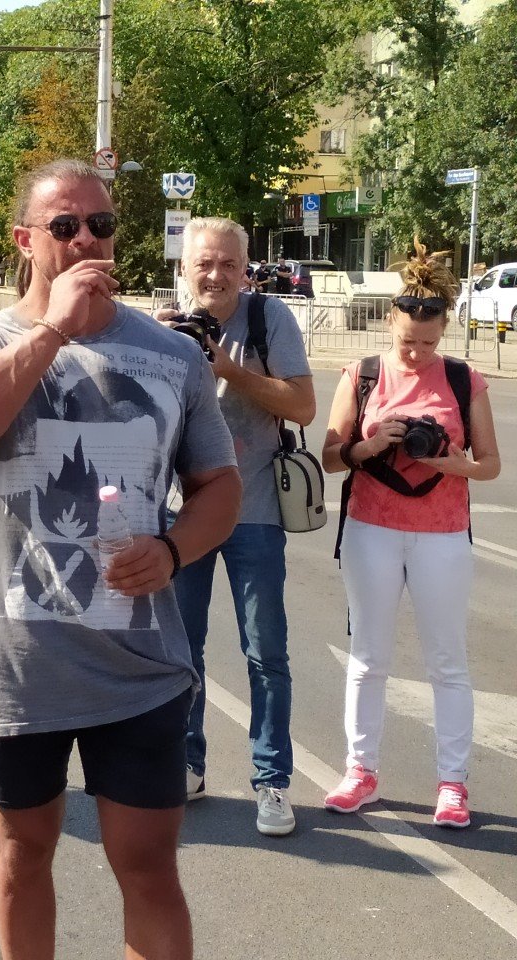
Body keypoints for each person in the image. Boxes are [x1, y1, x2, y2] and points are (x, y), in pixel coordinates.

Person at [0, 158, 240, 960]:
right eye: (65, 227)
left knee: (149, 867)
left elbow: (221, 489)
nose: (87, 239)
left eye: (101, 225)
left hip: (140, 664)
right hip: (21, 661)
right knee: (25, 856)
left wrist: (172, 550)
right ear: (26, 240)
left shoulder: (172, 355)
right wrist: (52, 329)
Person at [319, 241, 500, 827]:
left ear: (442, 331)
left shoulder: (464, 379)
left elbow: (490, 465)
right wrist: (372, 445)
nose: (417, 353)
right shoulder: (363, 373)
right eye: (406, 342)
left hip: (443, 533)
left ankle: (452, 784)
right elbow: (329, 456)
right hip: (372, 528)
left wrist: (454, 464)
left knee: (447, 661)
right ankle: (360, 771)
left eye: (428, 342)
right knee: (367, 657)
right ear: (390, 326)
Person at [156, 217, 316, 837]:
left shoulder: (267, 318)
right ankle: (188, 765)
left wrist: (227, 368)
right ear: (184, 268)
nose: (216, 276)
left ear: (245, 268)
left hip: (254, 511)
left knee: (265, 651)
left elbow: (301, 405)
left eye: (228, 264)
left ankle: (272, 782)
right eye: (204, 264)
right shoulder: (162, 324)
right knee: (179, 650)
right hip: (182, 509)